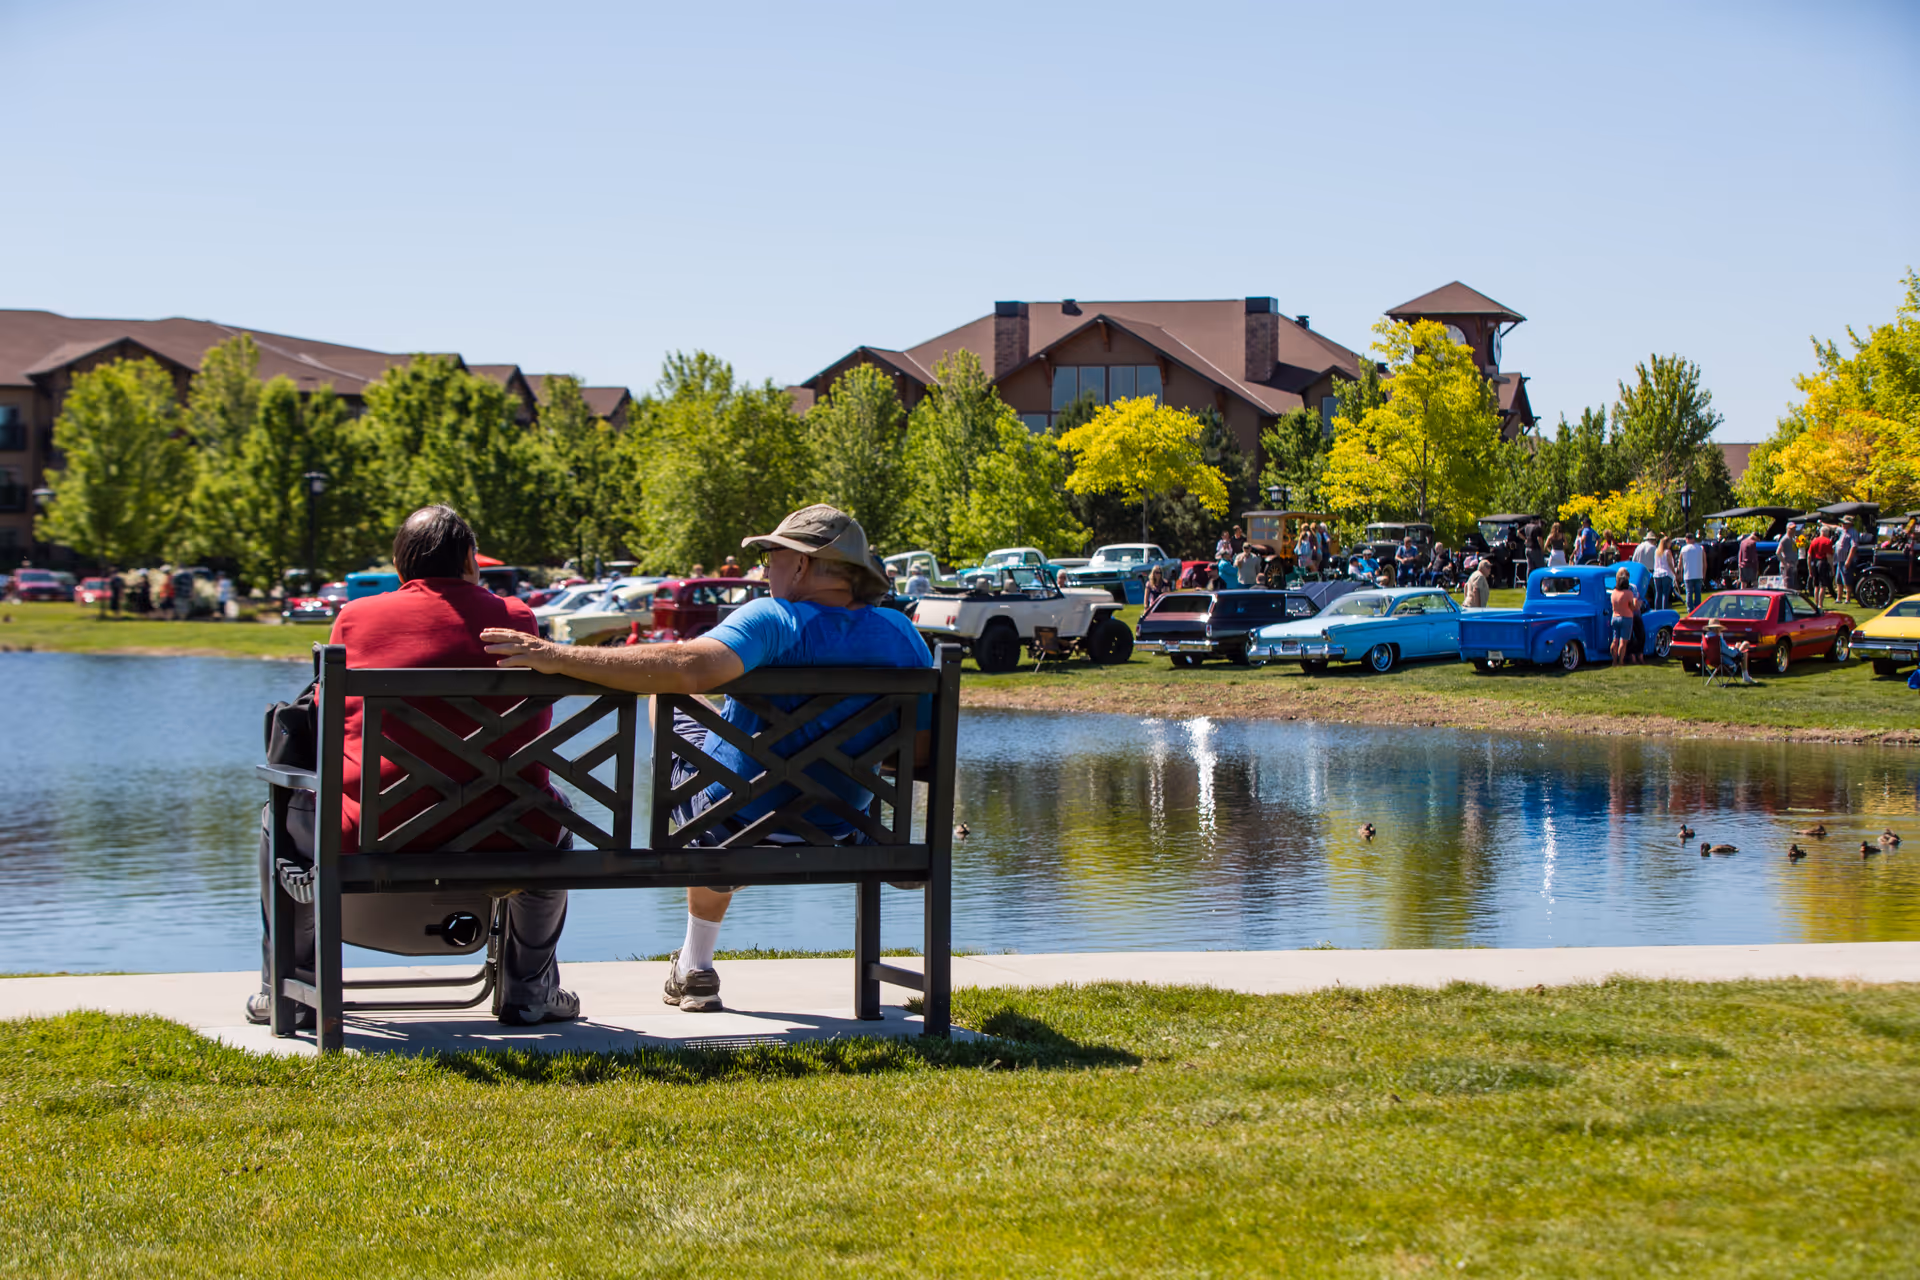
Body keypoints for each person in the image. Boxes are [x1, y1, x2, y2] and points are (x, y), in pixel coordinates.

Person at [479, 503, 931, 1016]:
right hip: (837, 825)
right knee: (732, 755)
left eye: (771, 557)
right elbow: (916, 753)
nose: (764, 571)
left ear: (803, 564)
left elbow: (685, 666)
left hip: (726, 821)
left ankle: (696, 963)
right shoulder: (902, 634)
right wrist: (837, 752)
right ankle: (693, 964)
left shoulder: (775, 619)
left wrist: (557, 655)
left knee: (669, 705)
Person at [248, 506, 580, 1030]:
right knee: (555, 821)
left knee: (278, 819)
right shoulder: (516, 618)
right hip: (510, 832)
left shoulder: (357, 618)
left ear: (401, 566)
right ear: (472, 561)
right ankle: (530, 991)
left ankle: (285, 985)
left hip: (377, 829)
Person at [1609, 566, 1639, 665]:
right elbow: (1633, 606)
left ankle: (1614, 661)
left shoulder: (1613, 593)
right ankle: (1621, 661)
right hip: (1626, 618)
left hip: (1614, 617)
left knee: (1615, 640)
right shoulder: (1629, 593)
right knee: (1623, 642)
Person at [1808, 523, 1834, 609]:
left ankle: (1816, 603)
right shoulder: (1827, 541)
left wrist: (1810, 569)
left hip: (1814, 563)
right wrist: (1832, 568)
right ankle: (1820, 604)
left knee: (1816, 585)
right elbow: (1829, 556)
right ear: (1826, 532)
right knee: (1823, 585)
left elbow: (1809, 556)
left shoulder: (1814, 541)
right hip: (1823, 563)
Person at [1680, 532, 1706, 611]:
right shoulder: (1700, 548)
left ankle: (1690, 609)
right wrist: (1704, 573)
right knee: (1698, 593)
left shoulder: (1683, 549)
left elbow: (1680, 563)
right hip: (1698, 574)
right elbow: (1705, 563)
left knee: (1689, 593)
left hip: (1688, 574)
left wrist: (1680, 573)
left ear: (1687, 539)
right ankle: (1698, 609)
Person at [1652, 536, 1676, 612]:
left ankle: (1657, 609)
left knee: (1658, 593)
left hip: (1657, 574)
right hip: (1666, 573)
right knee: (1665, 593)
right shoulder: (1667, 552)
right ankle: (1664, 609)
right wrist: (1674, 572)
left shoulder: (1657, 552)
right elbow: (1670, 563)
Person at [1777, 521, 1800, 592]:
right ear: (1787, 529)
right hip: (1787, 566)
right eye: (1791, 529)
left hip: (1793, 564)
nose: (1793, 530)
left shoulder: (1793, 539)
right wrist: (1785, 563)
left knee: (1792, 585)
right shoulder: (1785, 539)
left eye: (1794, 528)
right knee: (1787, 585)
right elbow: (1778, 552)